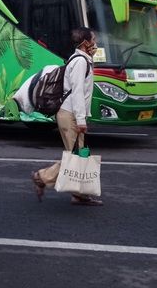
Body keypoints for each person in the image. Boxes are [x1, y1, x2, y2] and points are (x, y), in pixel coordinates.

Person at [31, 27, 103, 206]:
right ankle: (41, 177)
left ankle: (79, 194)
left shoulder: (83, 60)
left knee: (80, 154)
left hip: (72, 113)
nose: (96, 43)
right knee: (76, 156)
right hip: (70, 114)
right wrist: (80, 120)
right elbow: (77, 92)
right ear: (86, 43)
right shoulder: (80, 62)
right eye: (93, 39)